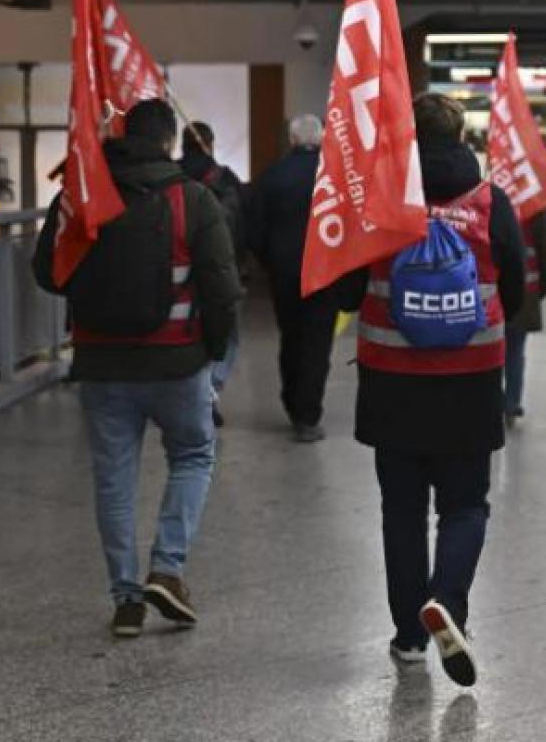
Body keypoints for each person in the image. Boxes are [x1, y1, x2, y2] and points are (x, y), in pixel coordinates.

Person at [33, 99, 241, 638]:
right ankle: (167, 570)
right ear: (170, 142)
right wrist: (213, 358)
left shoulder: (81, 200)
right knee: (194, 455)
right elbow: (221, 288)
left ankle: (126, 599)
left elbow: (49, 275)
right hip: (179, 363)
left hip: (102, 366)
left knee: (114, 478)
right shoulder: (192, 200)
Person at [346, 92, 525, 688]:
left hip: (392, 382)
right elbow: (518, 288)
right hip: (470, 381)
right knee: (465, 504)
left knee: (401, 512)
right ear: (462, 138)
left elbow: (347, 292)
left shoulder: (382, 204)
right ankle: (448, 601)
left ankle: (407, 637)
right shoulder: (490, 202)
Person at [245, 115, 338, 443]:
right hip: (326, 272)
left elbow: (253, 228)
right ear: (322, 138)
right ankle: (308, 414)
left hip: (284, 274)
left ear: (292, 139)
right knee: (317, 343)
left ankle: (291, 401)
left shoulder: (272, 176)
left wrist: (269, 261)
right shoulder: (335, 178)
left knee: (291, 337)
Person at [179, 120, 246, 427]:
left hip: (178, 269)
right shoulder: (224, 178)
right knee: (226, 333)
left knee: (184, 331)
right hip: (219, 267)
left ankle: (187, 392)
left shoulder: (170, 177)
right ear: (211, 143)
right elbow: (241, 225)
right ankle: (210, 390)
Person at [503, 209, 546, 424]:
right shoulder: (533, 212)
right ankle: (511, 403)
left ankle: (495, 400)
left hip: (489, 297)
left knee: (491, 352)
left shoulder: (485, 204)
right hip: (524, 296)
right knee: (515, 352)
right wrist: (538, 291)